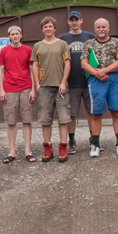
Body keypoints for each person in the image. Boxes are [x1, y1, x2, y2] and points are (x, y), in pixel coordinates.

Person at [81, 18, 118, 158]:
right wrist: (97, 73)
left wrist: (104, 71)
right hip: (96, 79)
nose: (101, 29)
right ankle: (95, 145)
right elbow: (83, 63)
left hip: (114, 79)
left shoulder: (116, 42)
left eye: (103, 27)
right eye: (98, 27)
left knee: (117, 112)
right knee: (96, 113)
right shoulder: (89, 44)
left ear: (108, 28)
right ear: (95, 29)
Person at [31, 16, 72, 163]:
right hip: (44, 87)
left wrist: (63, 82)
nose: (48, 29)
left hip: (60, 86)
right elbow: (34, 65)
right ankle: (47, 148)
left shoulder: (62, 44)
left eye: (50, 26)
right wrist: (37, 85)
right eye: (45, 26)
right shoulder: (37, 46)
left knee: (63, 118)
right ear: (42, 29)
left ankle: (63, 147)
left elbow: (67, 64)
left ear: (54, 28)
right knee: (45, 119)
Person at [0, 25, 37, 163]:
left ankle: (28, 151)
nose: (14, 36)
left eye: (17, 34)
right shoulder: (4, 51)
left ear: (21, 35)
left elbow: (32, 69)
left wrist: (33, 89)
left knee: (27, 120)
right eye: (12, 34)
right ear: (8, 37)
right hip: (9, 89)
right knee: (11, 121)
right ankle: (12, 151)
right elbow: (0, 71)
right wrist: (1, 90)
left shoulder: (28, 50)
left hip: (25, 88)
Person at [59, 11, 95, 154]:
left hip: (89, 81)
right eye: (72, 20)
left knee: (91, 111)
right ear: (68, 22)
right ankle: (72, 141)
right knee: (72, 114)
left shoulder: (89, 36)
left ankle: (94, 138)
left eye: (77, 20)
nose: (74, 22)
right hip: (71, 82)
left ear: (81, 20)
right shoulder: (63, 39)